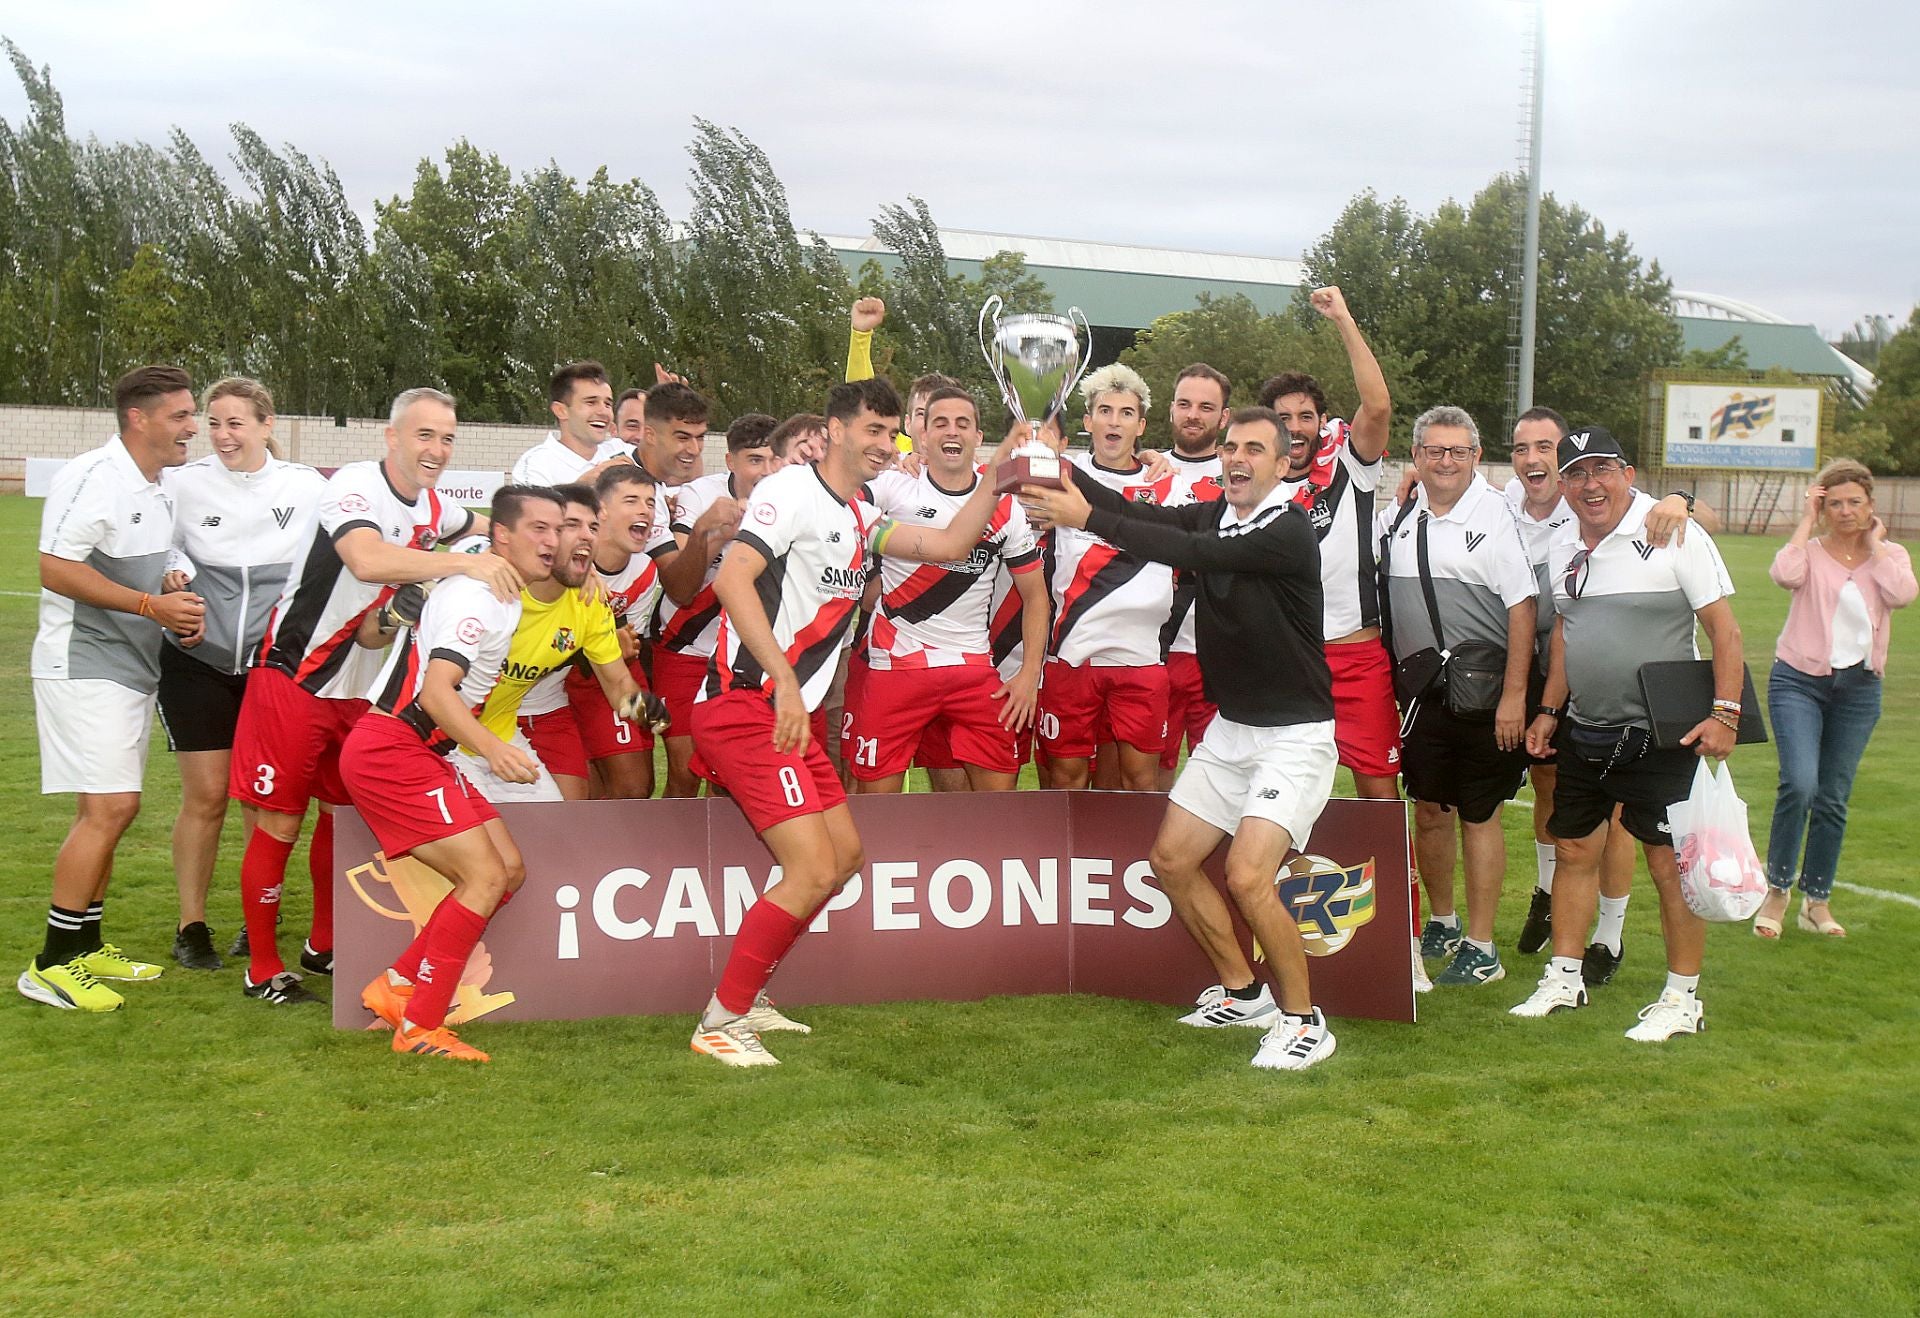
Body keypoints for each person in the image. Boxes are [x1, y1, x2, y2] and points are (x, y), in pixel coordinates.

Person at [686, 378, 1013, 1067]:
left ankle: (753, 998)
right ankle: (721, 1018)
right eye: (871, 430)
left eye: (891, 433)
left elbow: (954, 543)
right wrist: (780, 681)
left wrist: (1000, 471)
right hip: (748, 702)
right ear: (833, 430)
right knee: (809, 868)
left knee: (843, 858)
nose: (883, 445)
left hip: (787, 710)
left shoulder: (865, 512)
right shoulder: (789, 493)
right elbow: (731, 580)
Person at [1019, 407, 1340, 1070]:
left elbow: (1188, 553)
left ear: (1284, 464)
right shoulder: (1215, 511)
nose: (1238, 458)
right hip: (1233, 732)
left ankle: (1305, 1021)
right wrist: (1057, 462)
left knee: (1249, 876)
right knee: (1171, 861)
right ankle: (1243, 990)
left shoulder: (1288, 529)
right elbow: (1138, 512)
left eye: (1256, 449)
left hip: (1295, 737)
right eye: (1231, 448)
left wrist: (1086, 520)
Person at [227, 387, 519, 1005]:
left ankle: (322, 945)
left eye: (447, 438)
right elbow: (363, 559)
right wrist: (463, 567)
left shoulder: (433, 506)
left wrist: (538, 538)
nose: (437, 449)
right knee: (280, 823)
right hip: (297, 676)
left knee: (340, 821)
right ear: (392, 437)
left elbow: (493, 528)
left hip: (358, 690)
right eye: (424, 435)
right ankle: (261, 966)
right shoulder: (355, 487)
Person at [345, 486, 646, 1061]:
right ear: (501, 536)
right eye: (540, 528)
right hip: (394, 749)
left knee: (507, 870)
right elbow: (436, 693)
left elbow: (616, 685)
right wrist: (493, 749)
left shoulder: (510, 597)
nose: (553, 540)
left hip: (422, 750)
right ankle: (421, 1028)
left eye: (559, 529)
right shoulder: (478, 598)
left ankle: (398, 987)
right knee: (483, 877)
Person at [1512, 426, 1742, 1042]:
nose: (1591, 485)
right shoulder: (1563, 547)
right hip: (1587, 727)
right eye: (1579, 474)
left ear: (1629, 475)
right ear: (1563, 485)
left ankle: (1682, 996)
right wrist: (1549, 710)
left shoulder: (1669, 531)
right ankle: (1564, 977)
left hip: (1663, 734)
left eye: (1603, 470)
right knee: (1575, 851)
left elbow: (1724, 629)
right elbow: (1567, 635)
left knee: (1670, 866)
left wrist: (1725, 713)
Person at [21, 365, 207, 1012]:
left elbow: (167, 554)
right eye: (181, 416)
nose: (193, 427)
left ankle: (86, 945)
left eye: (193, 414)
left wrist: (174, 583)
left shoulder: (161, 485)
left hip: (130, 666)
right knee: (111, 809)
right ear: (140, 418)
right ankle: (49, 964)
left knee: (107, 810)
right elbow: (53, 567)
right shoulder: (93, 477)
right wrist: (149, 607)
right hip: (83, 662)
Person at [1505, 407, 1692, 981]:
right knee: (1554, 796)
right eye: (1521, 448)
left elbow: (1677, 514)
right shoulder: (1501, 503)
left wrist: (1682, 496)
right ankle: (1546, 893)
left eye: (1545, 446)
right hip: (1542, 668)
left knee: (1614, 815)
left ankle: (1608, 936)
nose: (1533, 458)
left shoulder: (1613, 502)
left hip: (1608, 676)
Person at [157, 377, 327, 970]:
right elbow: (162, 545)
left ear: (266, 425)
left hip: (269, 670)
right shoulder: (182, 483)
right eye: (215, 423)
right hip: (194, 662)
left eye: (236, 423)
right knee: (205, 798)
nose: (224, 435)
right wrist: (173, 573)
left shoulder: (304, 487)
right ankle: (192, 924)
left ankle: (260, 922)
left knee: (262, 804)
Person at [1379, 406, 1536, 986]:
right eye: (1435, 451)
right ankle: (1441, 921)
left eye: (1459, 452)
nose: (1446, 462)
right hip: (1423, 696)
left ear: (1475, 456)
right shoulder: (1398, 515)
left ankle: (1482, 946)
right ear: (1416, 457)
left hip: (1486, 697)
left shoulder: (1496, 515)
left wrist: (1515, 698)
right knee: (1430, 809)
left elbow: (1523, 609)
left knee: (1480, 815)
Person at [844, 387, 1047, 792]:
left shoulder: (1006, 506)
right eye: (940, 423)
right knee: (873, 801)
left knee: (998, 803)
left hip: (972, 667)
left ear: (977, 436)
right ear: (922, 436)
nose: (950, 432)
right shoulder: (890, 489)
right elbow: (835, 493)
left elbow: (1036, 597)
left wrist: (1028, 675)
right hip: (895, 666)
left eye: (962, 424)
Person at [1754, 461, 1915, 938]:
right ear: (1823, 506)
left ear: (1871, 507)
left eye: (1855, 503)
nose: (1846, 512)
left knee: (1833, 797)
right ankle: (1778, 891)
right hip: (1798, 682)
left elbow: (1903, 594)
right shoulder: (1811, 551)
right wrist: (1805, 522)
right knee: (1800, 785)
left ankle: (1816, 902)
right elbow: (1784, 573)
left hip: (1859, 689)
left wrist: (1877, 546)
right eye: (1835, 503)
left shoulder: (1890, 555)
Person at [1260, 286, 1397, 803]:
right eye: (1283, 418)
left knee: (1379, 797)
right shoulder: (1251, 483)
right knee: (1279, 798)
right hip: (1288, 662)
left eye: (1305, 416)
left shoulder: (1348, 464)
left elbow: (1378, 405)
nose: (1295, 428)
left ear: (1321, 421)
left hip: (1355, 655)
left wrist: (1343, 317)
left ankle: (1394, 886)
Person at [1039, 363, 1174, 791]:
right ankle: (1068, 860)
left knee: (1140, 782)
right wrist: (914, 458)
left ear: (1141, 425)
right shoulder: (1059, 476)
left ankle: (1134, 861)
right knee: (1068, 779)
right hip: (1074, 655)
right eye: (1105, 410)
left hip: (1142, 659)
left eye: (1126, 413)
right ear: (1088, 421)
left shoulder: (1171, 485)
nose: (1114, 420)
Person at [651, 413, 782, 797]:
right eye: (754, 460)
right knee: (684, 769)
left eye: (773, 460)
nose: (765, 471)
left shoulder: (792, 498)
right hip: (685, 648)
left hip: (747, 657)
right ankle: (673, 855)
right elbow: (680, 588)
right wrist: (713, 534)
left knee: (732, 774)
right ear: (730, 462)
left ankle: (723, 856)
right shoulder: (701, 496)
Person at [566, 466, 671, 799]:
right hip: (555, 680)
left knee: (635, 786)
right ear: (601, 510)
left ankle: (611, 847)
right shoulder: (565, 561)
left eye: (651, 502)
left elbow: (628, 643)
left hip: (609, 677)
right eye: (632, 500)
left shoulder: (644, 570)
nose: (645, 510)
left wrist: (623, 649)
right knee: (587, 787)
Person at [1157, 363, 1232, 789]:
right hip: (1155, 652)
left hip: (1219, 656)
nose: (1193, 415)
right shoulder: (1142, 470)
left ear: (1223, 417)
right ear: (1171, 410)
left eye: (1206, 407)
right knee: (1150, 777)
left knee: (1219, 781)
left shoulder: (1241, 478)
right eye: (1184, 404)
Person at [507, 361, 632, 487]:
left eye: (607, 404)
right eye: (591, 402)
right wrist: (581, 486)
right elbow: (536, 506)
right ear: (561, 411)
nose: (603, 412)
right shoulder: (535, 464)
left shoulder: (622, 450)